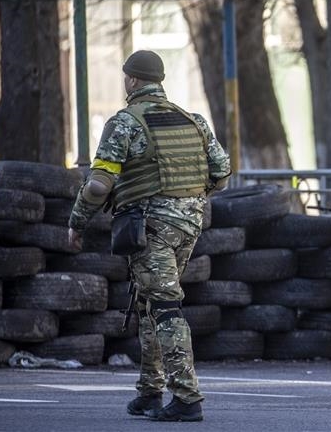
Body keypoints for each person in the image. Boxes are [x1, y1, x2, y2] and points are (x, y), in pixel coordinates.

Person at [67, 50, 231, 422]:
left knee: (164, 305)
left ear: (132, 80)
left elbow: (97, 186)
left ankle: (187, 398)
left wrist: (77, 222)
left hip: (150, 226)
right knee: (147, 303)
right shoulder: (194, 120)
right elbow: (222, 176)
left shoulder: (124, 123)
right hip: (190, 224)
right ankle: (149, 392)